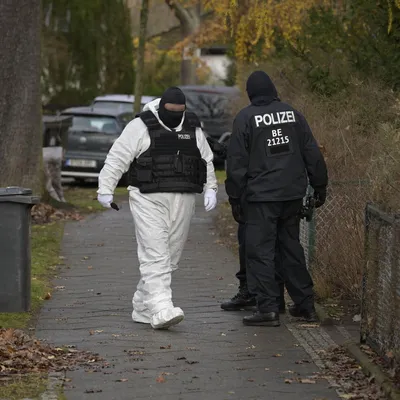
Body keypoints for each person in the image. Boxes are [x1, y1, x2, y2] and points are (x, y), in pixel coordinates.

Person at [97, 87, 218, 330]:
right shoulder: (140, 126)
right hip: (147, 198)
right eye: (171, 111)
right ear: (162, 107)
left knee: (170, 257)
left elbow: (205, 159)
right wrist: (105, 189)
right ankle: (162, 308)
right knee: (156, 254)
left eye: (179, 112)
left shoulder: (193, 126)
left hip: (183, 199)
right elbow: (117, 157)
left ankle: (142, 306)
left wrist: (211, 188)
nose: (176, 115)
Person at [225, 71, 328, 327]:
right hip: (292, 194)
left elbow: (236, 163)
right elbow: (311, 152)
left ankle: (267, 308)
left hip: (261, 198)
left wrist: (235, 198)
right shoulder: (293, 114)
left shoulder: (246, 118)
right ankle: (305, 306)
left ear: (250, 93)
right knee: (291, 249)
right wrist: (319, 185)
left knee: (260, 252)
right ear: (272, 90)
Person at [206, 137, 286, 312]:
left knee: (256, 248)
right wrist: (226, 150)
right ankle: (268, 297)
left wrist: (235, 199)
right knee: (263, 247)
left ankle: (258, 296)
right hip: (273, 194)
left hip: (257, 195)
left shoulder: (251, 119)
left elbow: (253, 155)